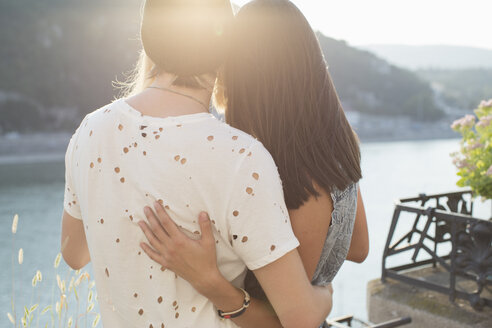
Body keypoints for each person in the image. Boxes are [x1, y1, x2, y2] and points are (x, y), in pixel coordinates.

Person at [60, 0, 334, 327]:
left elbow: (73, 254)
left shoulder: (90, 130)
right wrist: (325, 293)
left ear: (150, 40)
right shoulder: (240, 157)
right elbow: (300, 319)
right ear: (224, 47)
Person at [137, 0, 369, 327]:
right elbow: (359, 248)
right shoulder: (340, 146)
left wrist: (211, 282)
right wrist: (320, 289)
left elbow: (285, 318)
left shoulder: (283, 174)